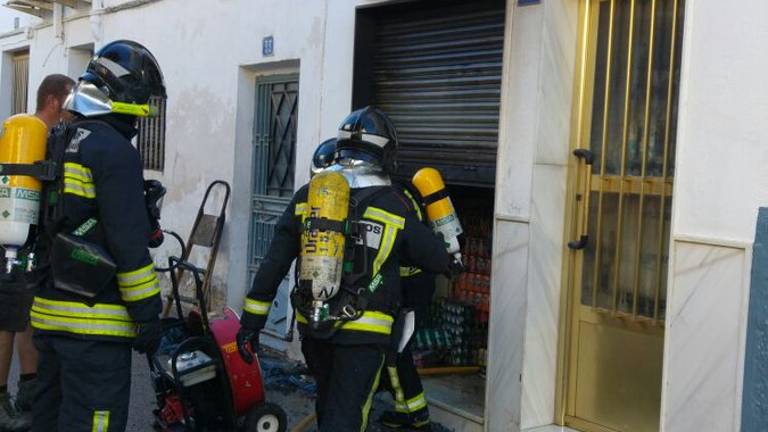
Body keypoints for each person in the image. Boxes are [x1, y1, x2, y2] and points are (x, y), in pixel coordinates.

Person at [237, 106, 460, 431]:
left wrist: (251, 324)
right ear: (385, 153)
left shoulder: (308, 197)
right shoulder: (394, 204)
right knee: (348, 417)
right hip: (364, 335)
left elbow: (274, 264)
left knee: (328, 403)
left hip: (314, 326)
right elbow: (438, 260)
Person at [29, 40, 165, 432]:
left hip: (49, 317)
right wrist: (148, 314)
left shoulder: (58, 140)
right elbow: (127, 244)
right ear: (125, 95)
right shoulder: (115, 150)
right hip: (95, 326)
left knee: (50, 419)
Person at [309, 138, 437, 430]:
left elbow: (410, 246)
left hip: (411, 283)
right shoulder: (387, 194)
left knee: (396, 353)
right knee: (391, 354)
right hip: (398, 283)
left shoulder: (391, 199)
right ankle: (406, 411)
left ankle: (418, 418)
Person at [0, 74, 75, 432]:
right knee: (6, 322)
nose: (73, 110)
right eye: (70, 102)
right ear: (54, 101)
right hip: (14, 242)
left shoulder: (37, 136)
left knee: (27, 316)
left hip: (27, 240)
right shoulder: (34, 136)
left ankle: (29, 391)